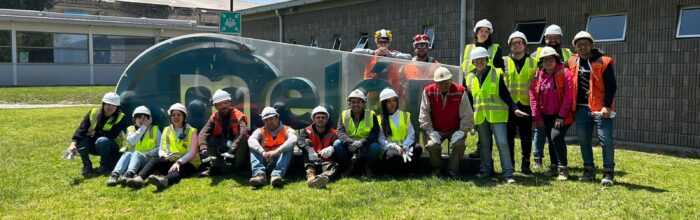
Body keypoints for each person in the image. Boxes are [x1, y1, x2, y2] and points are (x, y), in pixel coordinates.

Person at [465, 47, 529, 184]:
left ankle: (508, 174)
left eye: (482, 60)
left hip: (497, 116)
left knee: (502, 144)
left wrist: (514, 108)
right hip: (481, 117)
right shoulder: (469, 77)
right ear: (473, 62)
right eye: (476, 60)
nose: (479, 62)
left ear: (487, 60)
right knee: (484, 146)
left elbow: (505, 94)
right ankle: (486, 171)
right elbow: (469, 100)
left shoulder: (495, 73)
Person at [569, 31, 618, 186]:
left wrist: (606, 106)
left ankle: (608, 173)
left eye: (586, 44)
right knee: (584, 141)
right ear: (575, 47)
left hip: (601, 109)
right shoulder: (571, 61)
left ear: (591, 45)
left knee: (606, 141)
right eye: (579, 45)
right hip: (581, 109)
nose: (582, 47)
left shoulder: (604, 61)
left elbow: (612, 86)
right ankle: (588, 171)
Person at [531, 24, 575, 168]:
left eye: (556, 37)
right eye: (550, 37)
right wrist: (536, 113)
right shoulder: (536, 55)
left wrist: (562, 113)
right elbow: (534, 86)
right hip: (544, 107)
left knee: (555, 136)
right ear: (545, 38)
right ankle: (546, 161)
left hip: (561, 107)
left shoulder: (568, 54)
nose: (554, 40)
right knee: (545, 135)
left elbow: (569, 87)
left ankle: (560, 166)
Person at [129, 103, 200, 190]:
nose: (176, 117)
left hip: (188, 163)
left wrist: (179, 162)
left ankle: (164, 181)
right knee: (155, 159)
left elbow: (192, 152)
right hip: (171, 160)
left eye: (179, 115)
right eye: (173, 115)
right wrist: (162, 155)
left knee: (179, 169)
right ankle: (139, 179)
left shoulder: (191, 131)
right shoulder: (167, 130)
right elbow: (162, 148)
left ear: (184, 116)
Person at [461, 19, 505, 158]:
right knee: (476, 120)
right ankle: (480, 149)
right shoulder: (468, 48)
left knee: (486, 121)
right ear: (476, 33)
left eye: (486, 31)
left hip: (488, 91)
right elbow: (464, 68)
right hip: (470, 89)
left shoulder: (495, 48)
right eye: (481, 31)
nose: (484, 34)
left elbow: (500, 70)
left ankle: (484, 151)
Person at [419, 67, 474, 177]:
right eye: (440, 83)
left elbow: (467, 114)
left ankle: (452, 171)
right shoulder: (428, 91)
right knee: (432, 145)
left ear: (451, 79)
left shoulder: (460, 91)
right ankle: (437, 168)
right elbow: (424, 114)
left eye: (446, 82)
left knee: (459, 144)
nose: (444, 86)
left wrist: (462, 131)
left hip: (455, 129)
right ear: (435, 82)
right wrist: (430, 131)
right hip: (436, 129)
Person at [68, 92, 127, 176]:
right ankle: (87, 165)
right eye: (108, 104)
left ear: (117, 107)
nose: (111, 107)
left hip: (111, 147)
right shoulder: (93, 112)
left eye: (114, 105)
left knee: (101, 140)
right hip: (95, 143)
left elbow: (111, 135)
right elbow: (82, 129)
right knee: (81, 139)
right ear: (103, 104)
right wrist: (73, 144)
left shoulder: (120, 117)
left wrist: (91, 133)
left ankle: (104, 165)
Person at [503, 31, 537, 174]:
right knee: (509, 136)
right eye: (514, 43)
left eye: (520, 43)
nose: (517, 45)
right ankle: (510, 163)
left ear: (525, 45)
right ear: (510, 46)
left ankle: (526, 163)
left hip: (526, 104)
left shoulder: (533, 62)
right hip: (509, 105)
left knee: (526, 136)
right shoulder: (503, 61)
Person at [198, 89, 249, 177]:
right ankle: (215, 168)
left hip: (235, 143)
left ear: (230, 103)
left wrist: (232, 149)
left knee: (243, 140)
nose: (224, 105)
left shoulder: (238, 114)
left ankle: (239, 167)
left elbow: (242, 132)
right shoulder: (214, 117)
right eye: (220, 104)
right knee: (209, 140)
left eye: (225, 103)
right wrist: (204, 151)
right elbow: (203, 133)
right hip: (223, 142)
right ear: (215, 106)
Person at [106, 106, 161, 186]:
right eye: (139, 117)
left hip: (147, 159)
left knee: (136, 153)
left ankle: (129, 174)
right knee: (127, 153)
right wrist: (143, 128)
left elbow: (160, 147)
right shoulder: (130, 129)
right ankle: (115, 175)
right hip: (132, 160)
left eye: (145, 118)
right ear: (134, 119)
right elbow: (131, 141)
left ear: (149, 119)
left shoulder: (155, 129)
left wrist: (147, 153)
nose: (141, 120)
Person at [333, 89, 382, 177]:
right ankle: (349, 167)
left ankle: (367, 168)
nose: (356, 104)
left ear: (363, 103)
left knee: (376, 147)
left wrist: (361, 142)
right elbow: (340, 131)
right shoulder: (344, 114)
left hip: (365, 145)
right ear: (349, 103)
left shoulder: (371, 115)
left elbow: (374, 133)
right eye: (353, 102)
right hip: (349, 145)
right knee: (337, 144)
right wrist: (350, 142)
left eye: (359, 102)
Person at [247, 107, 297, 188]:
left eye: (271, 119)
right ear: (263, 121)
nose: (269, 122)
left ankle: (276, 176)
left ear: (277, 117)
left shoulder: (287, 129)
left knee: (289, 147)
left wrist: (277, 151)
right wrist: (262, 152)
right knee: (253, 147)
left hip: (281, 162)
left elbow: (293, 139)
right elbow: (251, 140)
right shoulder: (261, 130)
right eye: (266, 120)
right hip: (266, 160)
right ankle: (259, 175)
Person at [377, 88, 422, 172]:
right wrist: (396, 147)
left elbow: (411, 133)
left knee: (418, 148)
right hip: (391, 149)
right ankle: (400, 170)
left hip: (405, 146)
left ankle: (407, 169)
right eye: (388, 101)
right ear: (383, 103)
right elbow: (382, 140)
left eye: (394, 100)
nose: (392, 103)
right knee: (393, 157)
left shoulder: (404, 115)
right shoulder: (380, 119)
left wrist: (405, 146)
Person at [297, 106, 338, 189]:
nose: (320, 119)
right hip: (311, 160)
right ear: (313, 119)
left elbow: (338, 143)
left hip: (327, 161)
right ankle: (311, 175)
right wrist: (309, 149)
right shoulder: (307, 130)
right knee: (306, 141)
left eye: (323, 117)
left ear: (327, 119)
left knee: (334, 165)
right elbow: (300, 141)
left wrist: (332, 148)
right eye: (318, 117)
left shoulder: (333, 132)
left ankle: (322, 178)